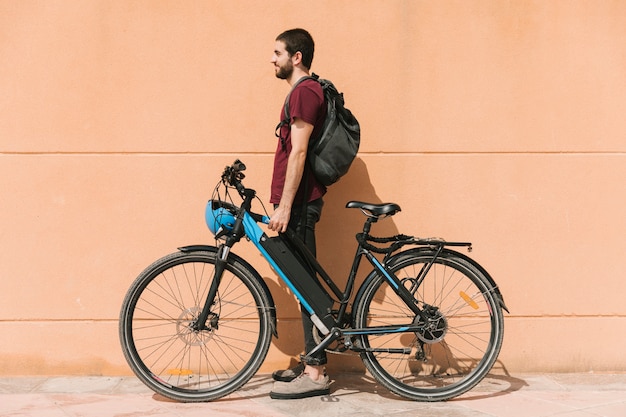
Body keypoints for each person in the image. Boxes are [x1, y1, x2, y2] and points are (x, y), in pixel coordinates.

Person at [267, 28, 330, 400]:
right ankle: (313, 361)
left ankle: (317, 372)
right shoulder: (300, 92)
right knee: (303, 285)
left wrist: (286, 206)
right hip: (297, 204)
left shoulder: (305, 92)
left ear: (297, 57)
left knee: (307, 289)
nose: (271, 59)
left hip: (301, 206)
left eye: (277, 52)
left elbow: (300, 152)